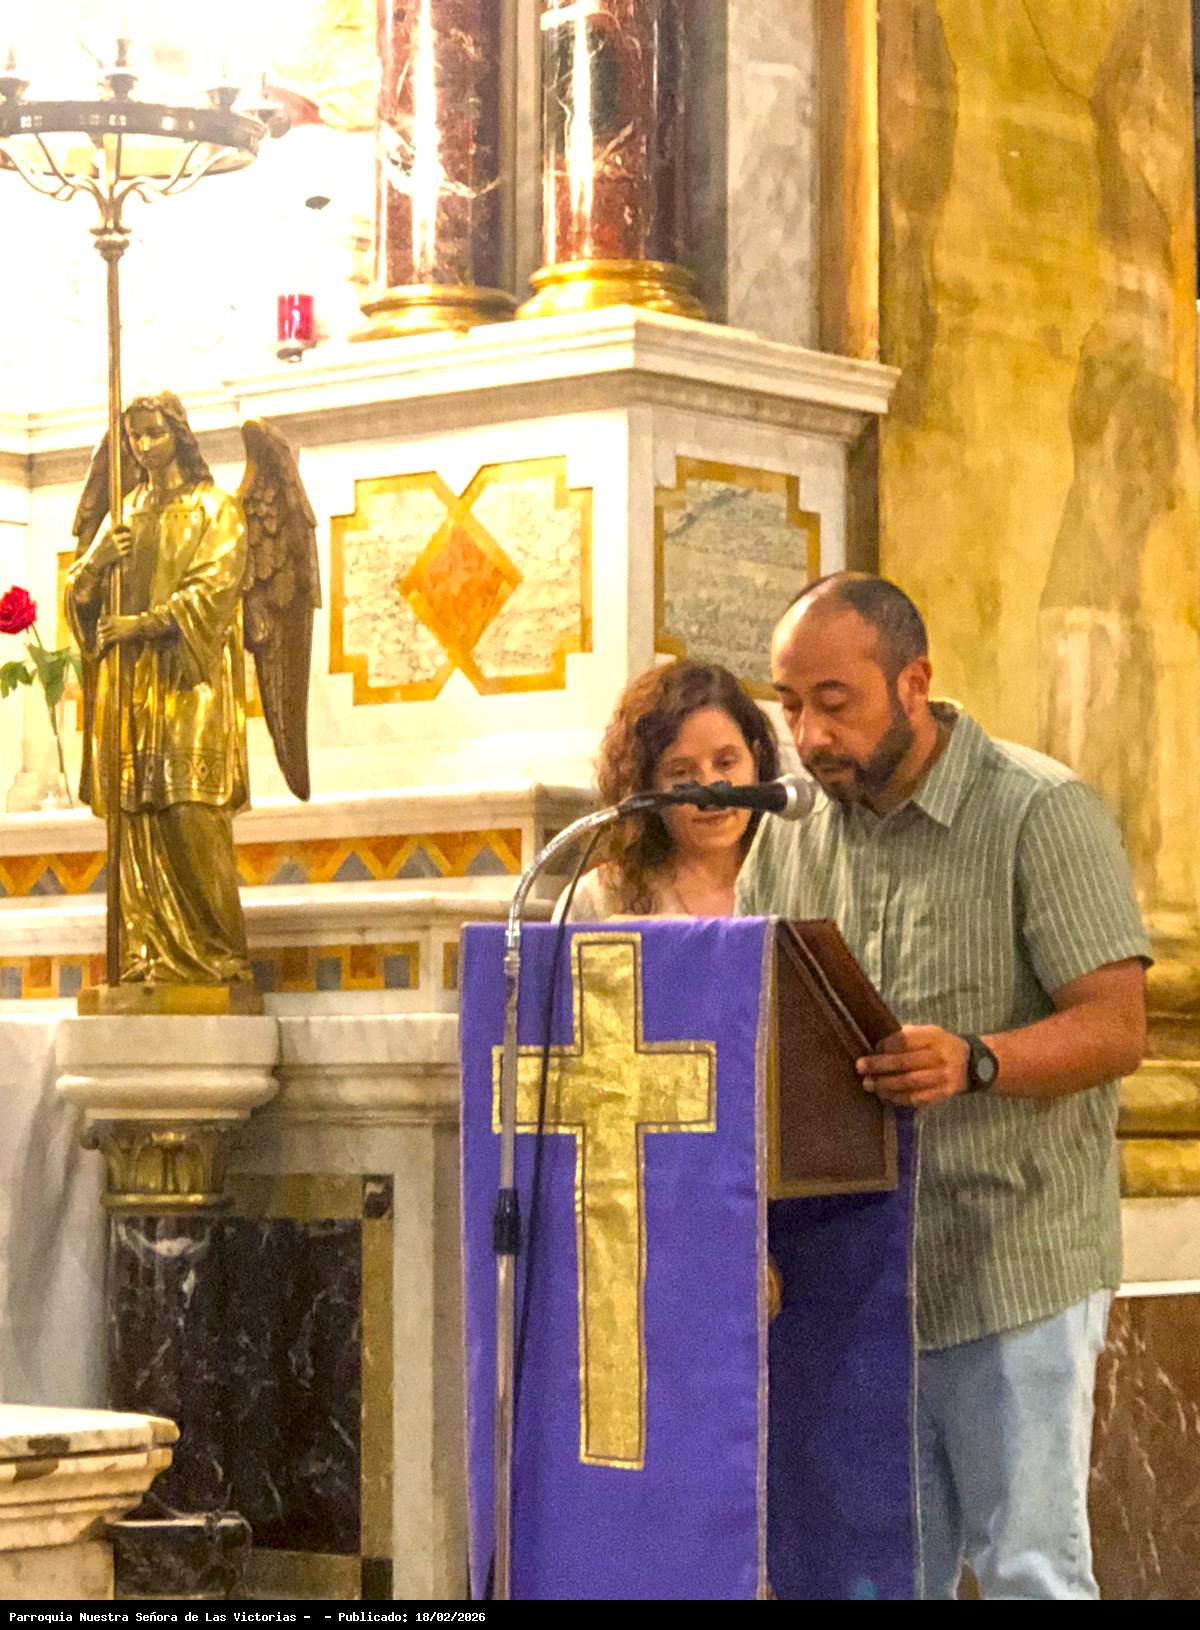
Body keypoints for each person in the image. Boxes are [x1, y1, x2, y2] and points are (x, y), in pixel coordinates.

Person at [735, 571, 1149, 1601]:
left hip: (1012, 1262)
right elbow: (753, 1018)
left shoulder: (1038, 811)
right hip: (856, 1278)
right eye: (791, 705)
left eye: (835, 701)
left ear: (912, 682)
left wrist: (976, 1060)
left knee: (1027, 1572)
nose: (810, 734)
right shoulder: (789, 833)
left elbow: (1116, 1026)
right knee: (881, 1575)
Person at [66, 394, 253, 985]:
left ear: (180, 435)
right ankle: (145, 953)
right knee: (135, 817)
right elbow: (82, 601)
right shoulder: (124, 511)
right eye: (134, 437)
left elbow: (213, 590)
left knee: (188, 811)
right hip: (130, 687)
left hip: (189, 683)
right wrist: (95, 563)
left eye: (154, 433)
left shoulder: (216, 509)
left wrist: (141, 625)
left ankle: (217, 954)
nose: (144, 447)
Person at [563, 659, 780, 921]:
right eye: (681, 772)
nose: (710, 789)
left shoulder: (791, 879)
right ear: (647, 785)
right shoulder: (603, 897)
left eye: (725, 763)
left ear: (756, 760)